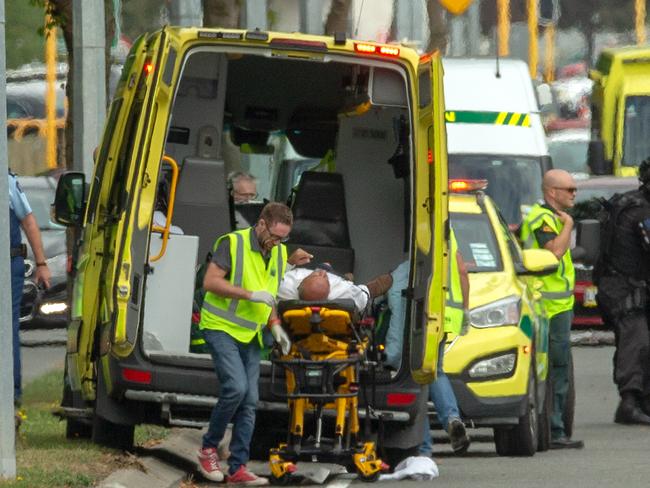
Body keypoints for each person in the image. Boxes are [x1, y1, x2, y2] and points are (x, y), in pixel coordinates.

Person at [196, 202, 311, 484]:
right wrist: (249, 295)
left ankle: (237, 468)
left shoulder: (279, 253)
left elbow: (268, 294)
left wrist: (276, 326)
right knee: (235, 388)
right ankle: (209, 449)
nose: (277, 242)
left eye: (283, 238)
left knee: (250, 401)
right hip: (220, 327)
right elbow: (210, 283)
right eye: (274, 236)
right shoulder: (232, 243)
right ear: (261, 225)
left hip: (250, 334)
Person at [519, 169, 584, 450]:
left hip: (558, 306)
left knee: (558, 370)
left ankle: (555, 427)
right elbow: (554, 251)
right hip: (546, 306)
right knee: (555, 370)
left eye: (574, 189)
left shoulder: (549, 216)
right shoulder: (543, 218)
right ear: (551, 192)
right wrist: (569, 225)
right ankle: (555, 430)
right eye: (569, 189)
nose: (574, 193)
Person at [594, 158, 650, 425]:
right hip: (624, 287)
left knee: (639, 339)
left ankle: (641, 400)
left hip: (619, 284)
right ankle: (629, 402)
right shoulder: (639, 211)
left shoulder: (627, 202)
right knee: (636, 339)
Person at [420, 228, 471, 456]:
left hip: (420, 315)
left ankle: (422, 448)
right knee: (436, 372)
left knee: (416, 378)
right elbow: (461, 270)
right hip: (446, 314)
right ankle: (451, 418)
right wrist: (466, 309)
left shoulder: (415, 224)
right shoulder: (445, 226)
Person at [8, 171, 51, 411]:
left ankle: (13, 396)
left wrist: (42, 263)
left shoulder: (8, 182)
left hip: (8, 265)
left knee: (8, 328)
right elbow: (30, 222)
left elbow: (28, 221)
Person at [277, 264, 393, 310]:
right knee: (331, 268)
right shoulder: (343, 291)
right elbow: (364, 295)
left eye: (317, 275)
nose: (322, 273)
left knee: (325, 266)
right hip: (339, 278)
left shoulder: (285, 285)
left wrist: (290, 261)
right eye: (325, 278)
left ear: (300, 283)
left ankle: (346, 276)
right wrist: (368, 290)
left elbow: (273, 278)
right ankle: (347, 277)